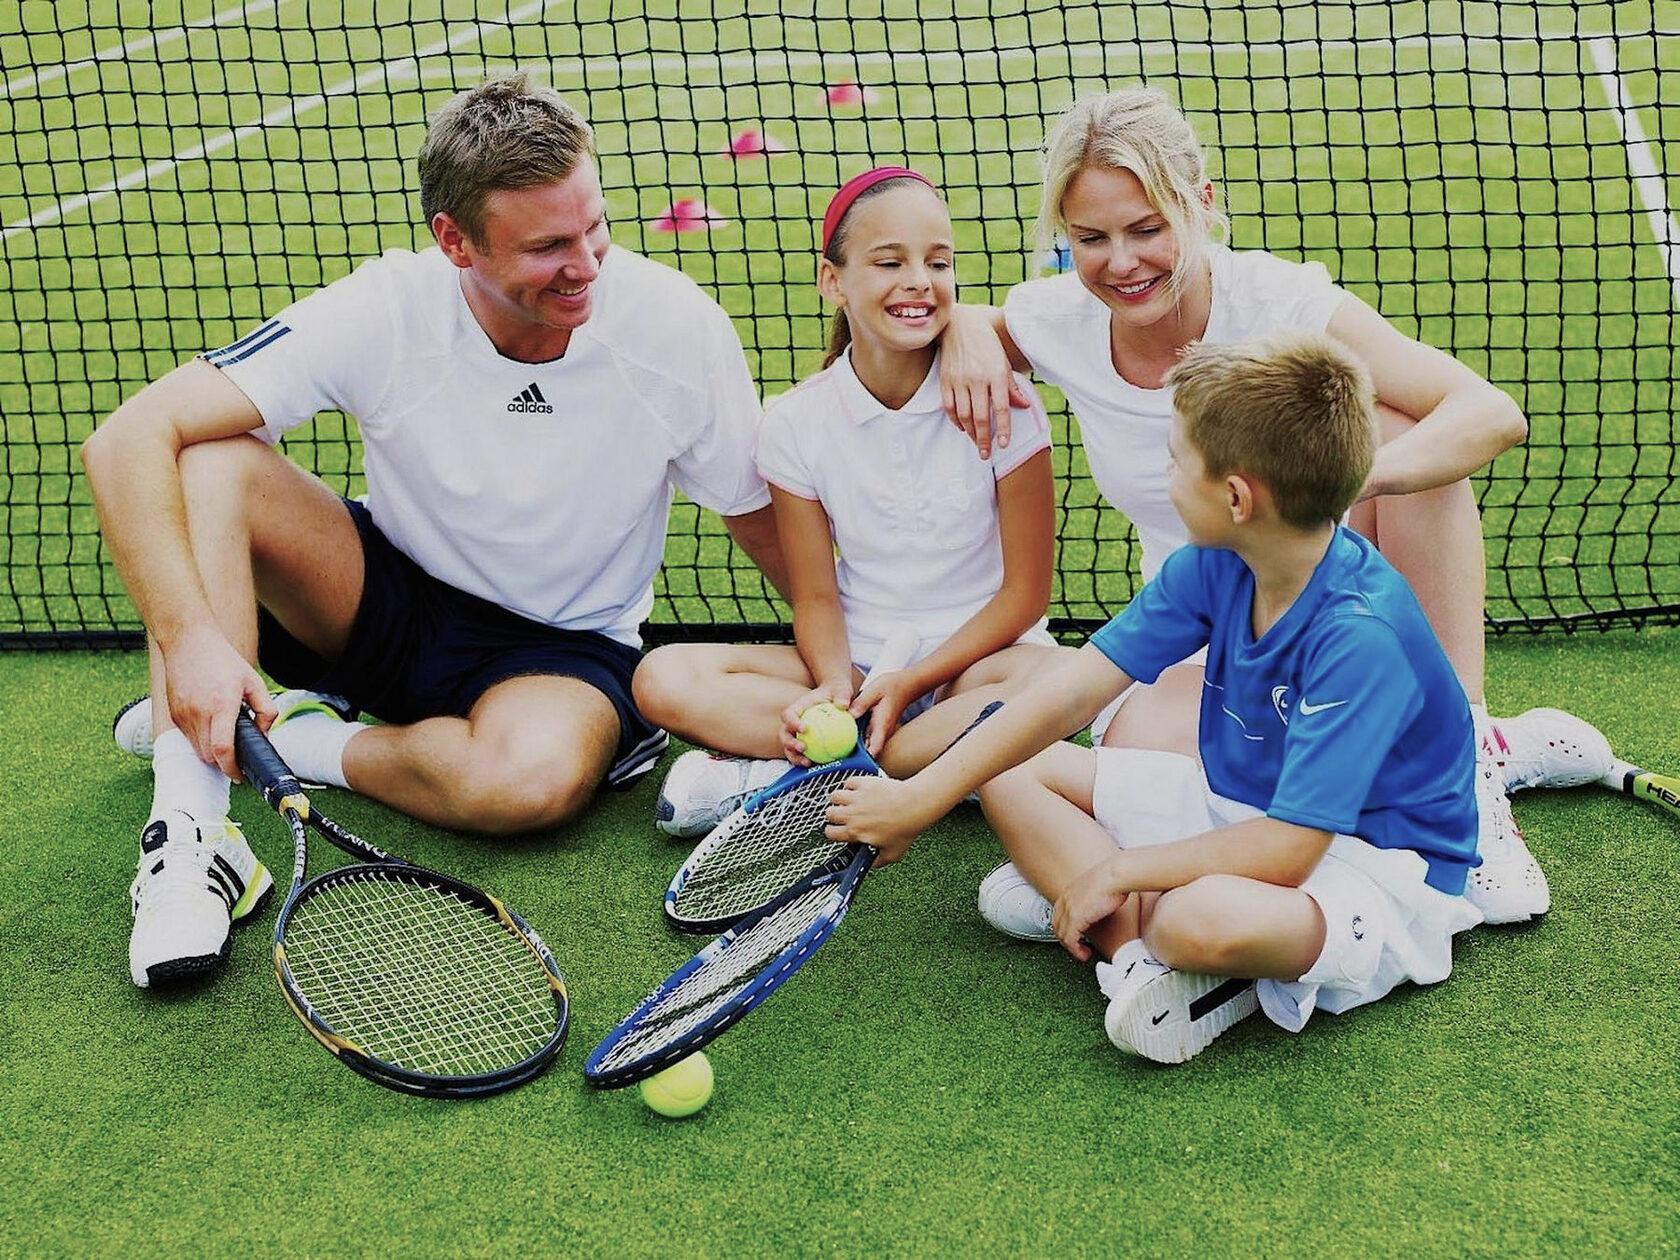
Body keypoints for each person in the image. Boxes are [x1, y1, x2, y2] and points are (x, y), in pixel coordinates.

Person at [81, 74, 786, 990]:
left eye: (595, 226)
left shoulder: (676, 328)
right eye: (547, 246)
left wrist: (872, 652)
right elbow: (125, 439)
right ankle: (192, 835)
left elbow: (757, 514)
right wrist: (192, 643)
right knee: (212, 460)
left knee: (528, 787)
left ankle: (288, 741)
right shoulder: (387, 306)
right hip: (387, 600)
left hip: (565, 652)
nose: (587, 265)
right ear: (454, 240)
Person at [935, 86, 1614, 926]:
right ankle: (1125, 866)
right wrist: (965, 327)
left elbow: (1489, 413)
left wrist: (1331, 486)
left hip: (1325, 590)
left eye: (1147, 229)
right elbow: (957, 322)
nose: (1121, 262)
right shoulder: (1053, 318)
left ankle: (1468, 747)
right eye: (1090, 238)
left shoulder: (1280, 302)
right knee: (1137, 750)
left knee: (1404, 424)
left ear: (1200, 204)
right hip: (1206, 630)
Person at [827, 330, 1484, 1064]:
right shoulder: (1218, 563)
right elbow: (1073, 692)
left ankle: (1133, 921)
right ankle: (1139, 964)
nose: (1166, 474)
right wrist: (923, 797)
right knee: (1002, 764)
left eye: (1177, 461)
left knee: (1195, 919)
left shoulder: (1362, 638)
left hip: (1374, 866)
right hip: (1240, 805)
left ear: (1236, 497)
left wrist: (1115, 871)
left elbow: (1289, 850)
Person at [633, 167, 1061, 836]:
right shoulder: (794, 423)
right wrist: (836, 685)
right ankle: (929, 764)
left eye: (938, 262)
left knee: (1063, 679)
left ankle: (804, 772)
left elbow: (1025, 599)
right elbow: (816, 597)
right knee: (661, 676)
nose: (920, 279)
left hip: (977, 669)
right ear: (833, 281)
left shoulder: (1005, 403)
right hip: (859, 663)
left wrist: (914, 681)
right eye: (890, 261)